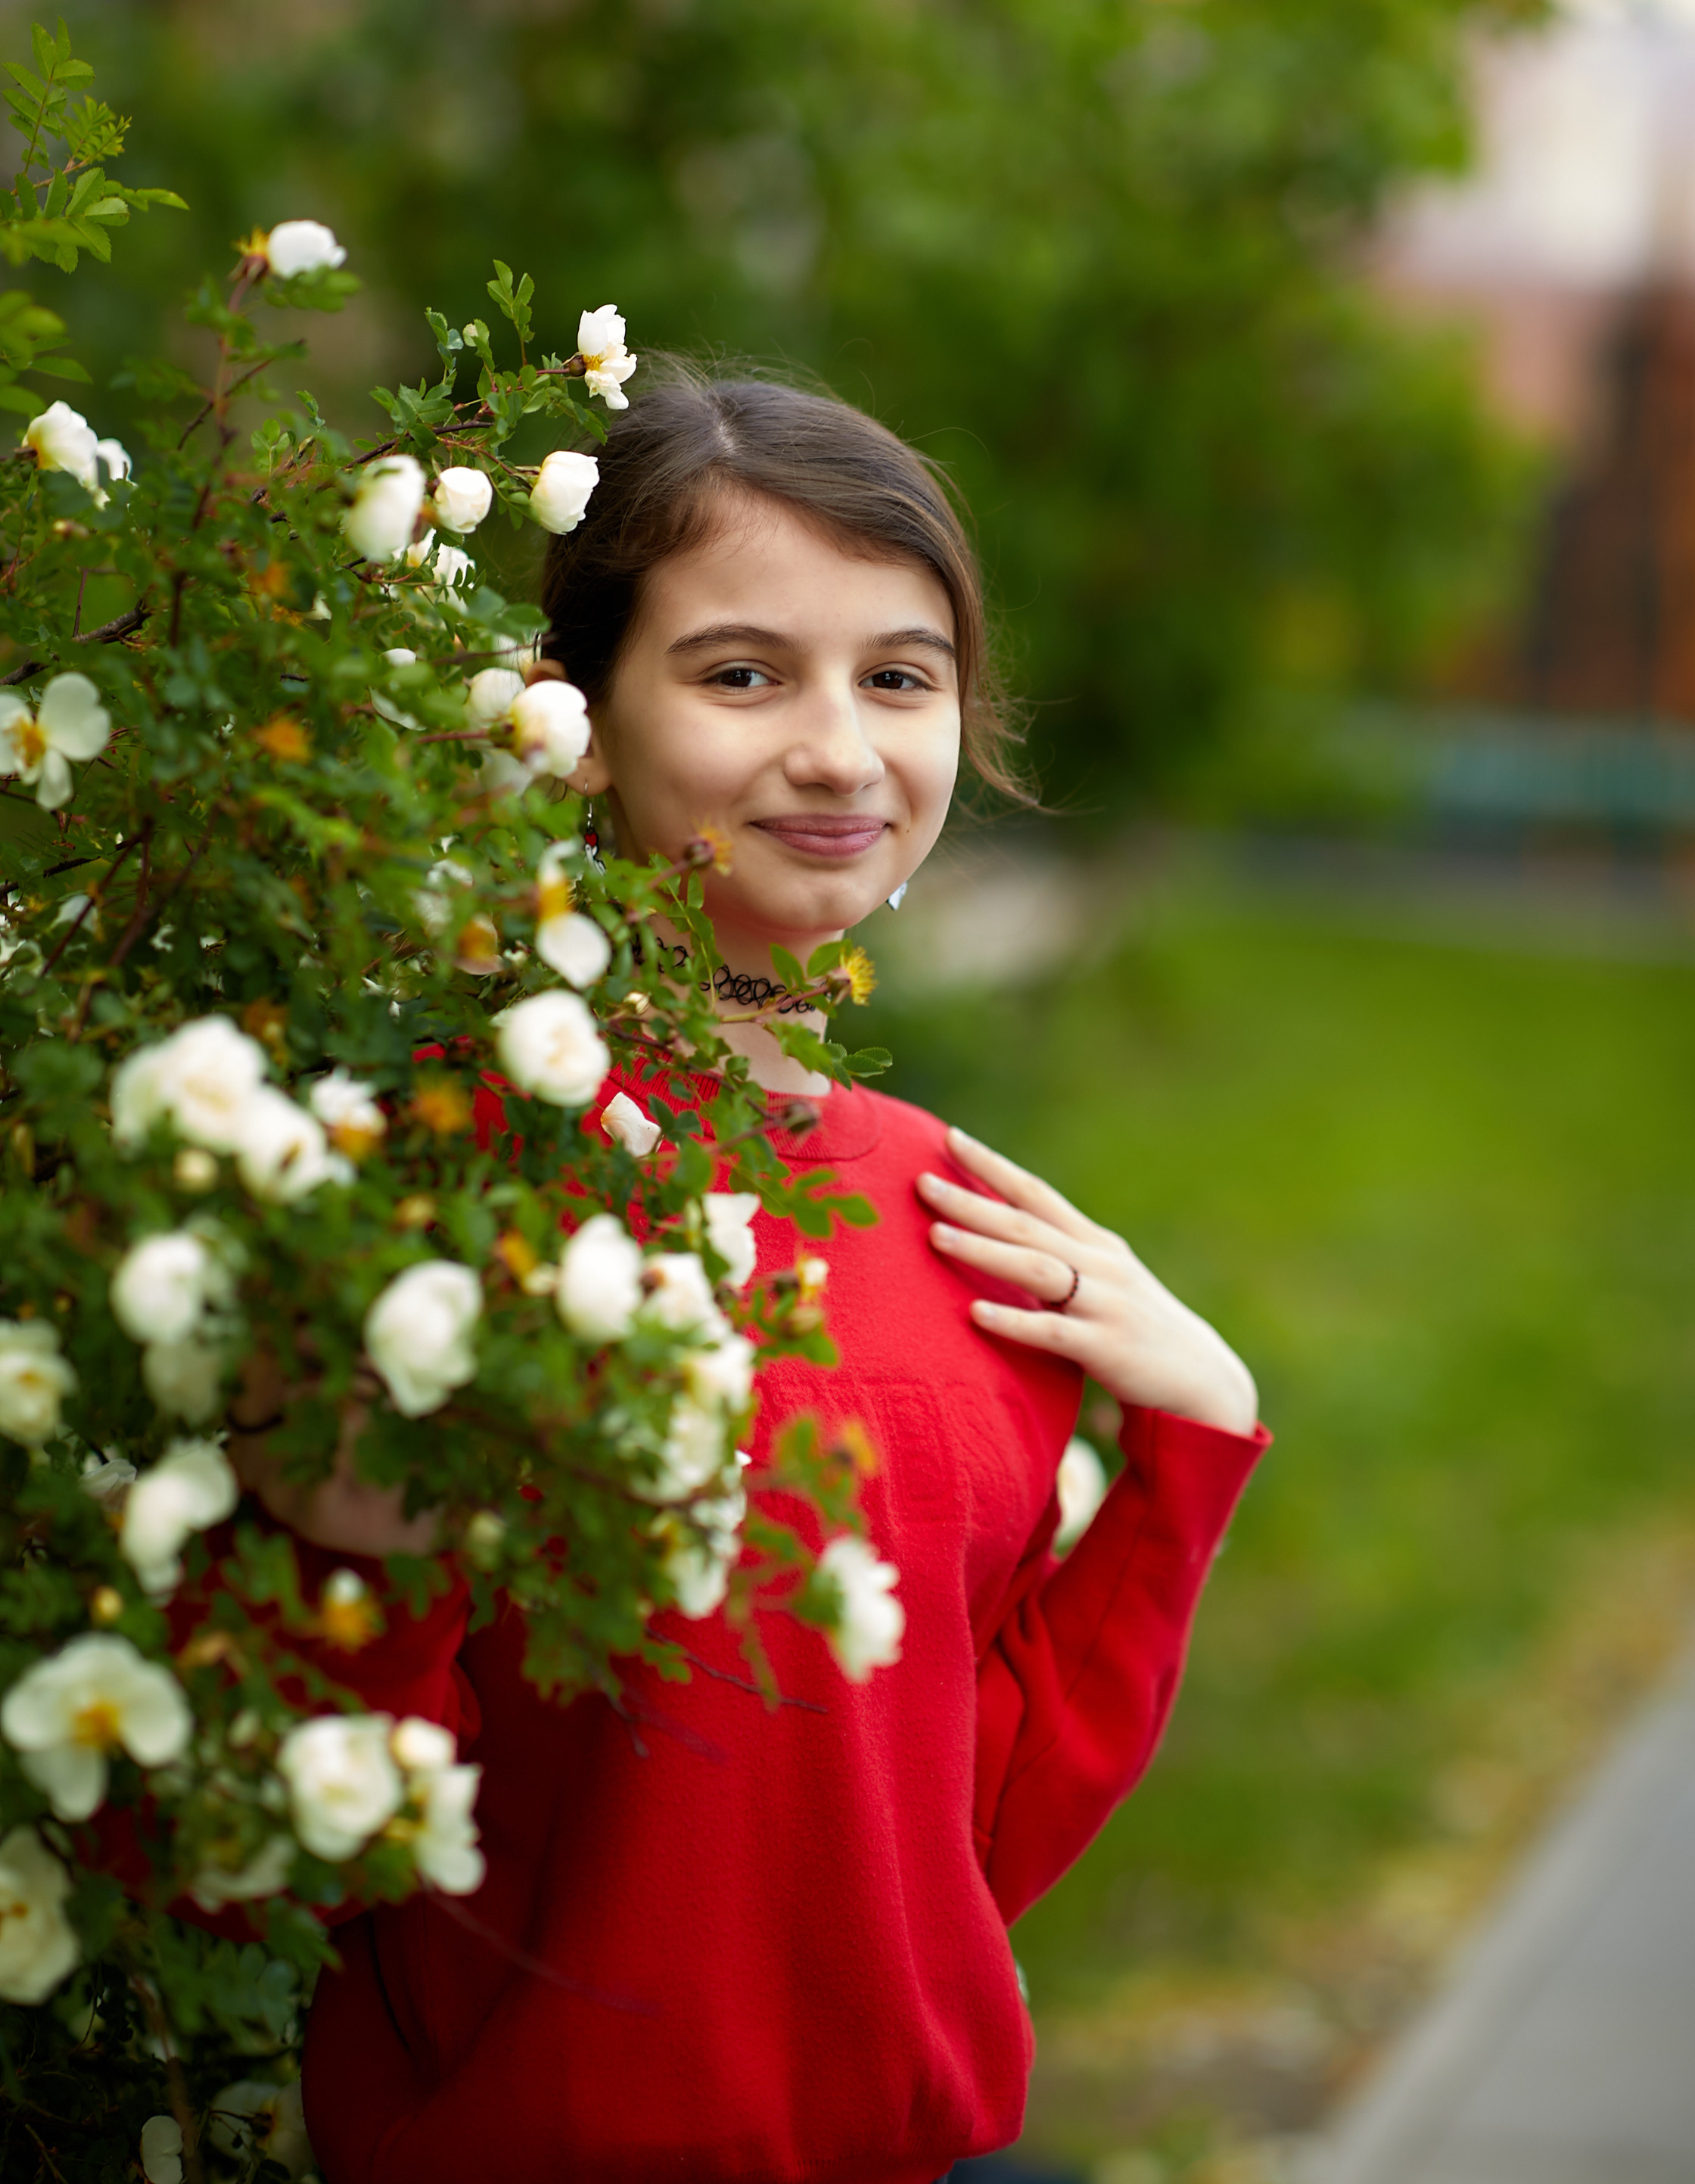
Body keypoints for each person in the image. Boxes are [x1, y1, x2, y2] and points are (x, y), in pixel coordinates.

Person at [232, 369, 1270, 2184]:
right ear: (573, 716)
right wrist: (355, 1565)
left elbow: (952, 1855)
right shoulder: (429, 1190)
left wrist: (1187, 1443)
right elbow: (261, 1871)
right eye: (741, 674)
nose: (841, 751)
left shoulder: (960, 1225)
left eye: (900, 677)